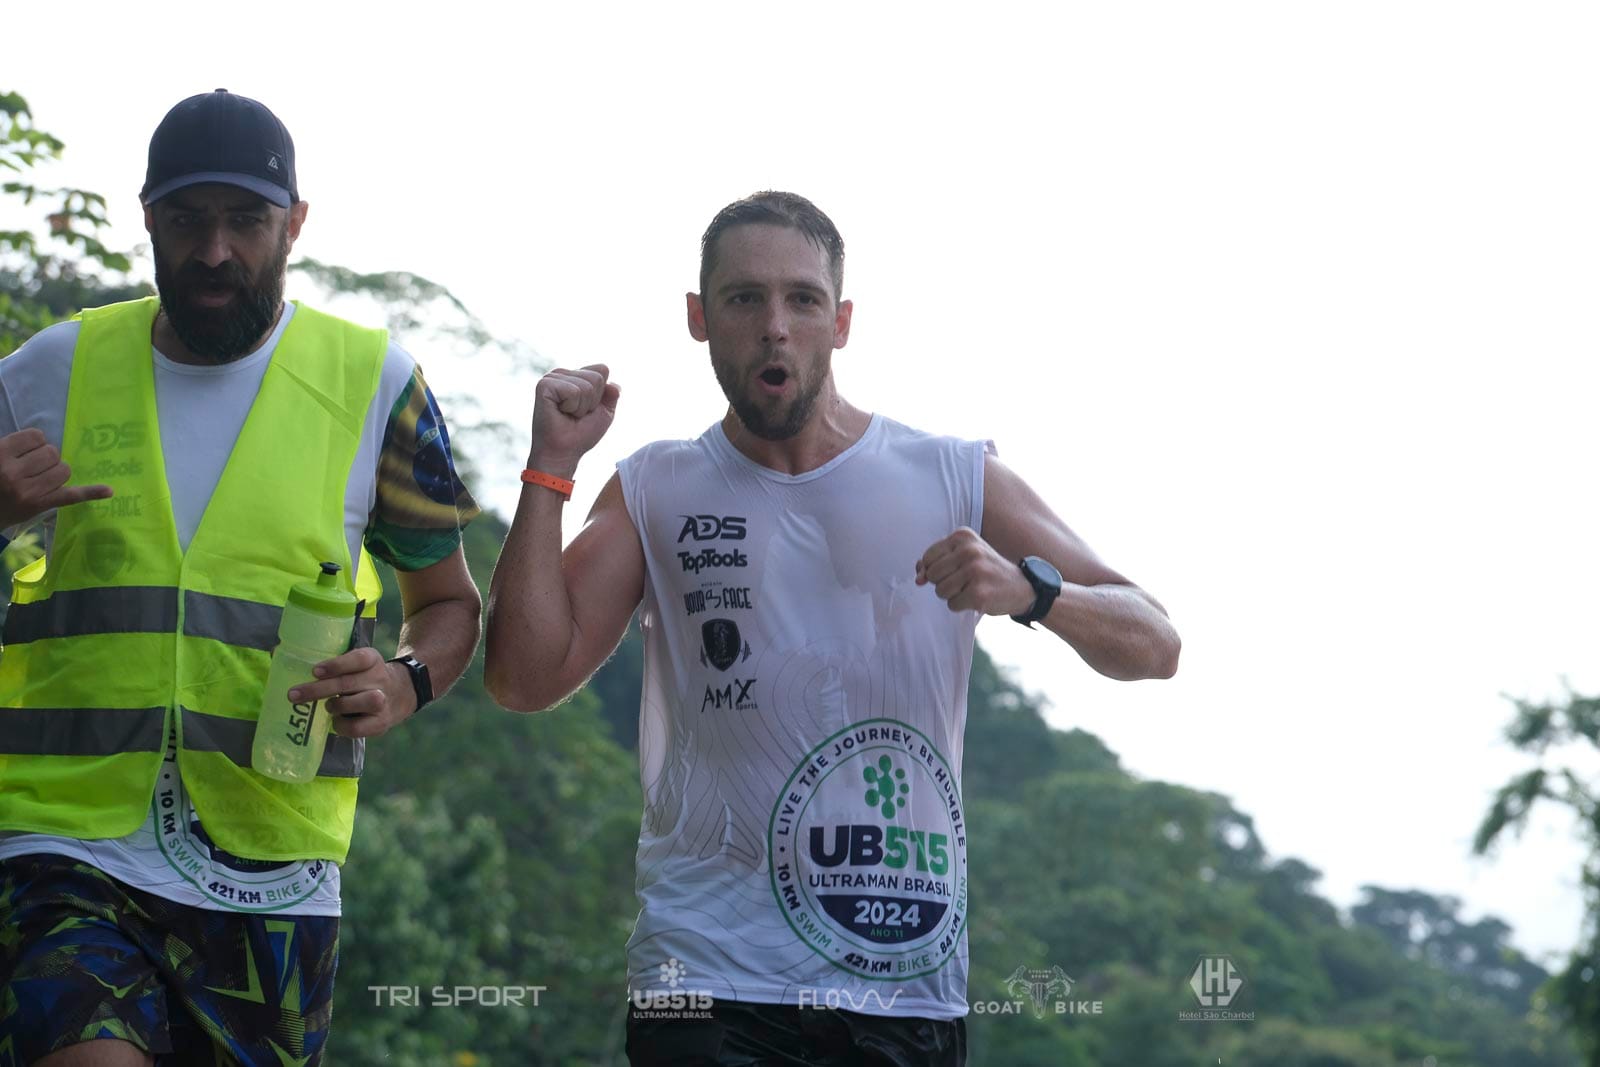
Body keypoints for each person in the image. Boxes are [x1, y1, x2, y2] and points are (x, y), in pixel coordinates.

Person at [484, 190, 1181, 1065]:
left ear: (841, 320)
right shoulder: (657, 486)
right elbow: (521, 678)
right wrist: (549, 468)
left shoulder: (951, 473)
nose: (776, 327)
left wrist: (1032, 593)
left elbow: (1155, 641)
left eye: (802, 300)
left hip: (899, 974)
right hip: (704, 978)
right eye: (745, 299)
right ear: (699, 318)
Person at [0, 90, 482, 1066]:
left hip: (273, 876)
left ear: (294, 223)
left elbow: (449, 606)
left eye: (245, 222)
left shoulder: (378, 385)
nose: (214, 251)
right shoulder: (44, 374)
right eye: (186, 220)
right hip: (62, 846)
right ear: (147, 217)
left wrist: (403, 678)